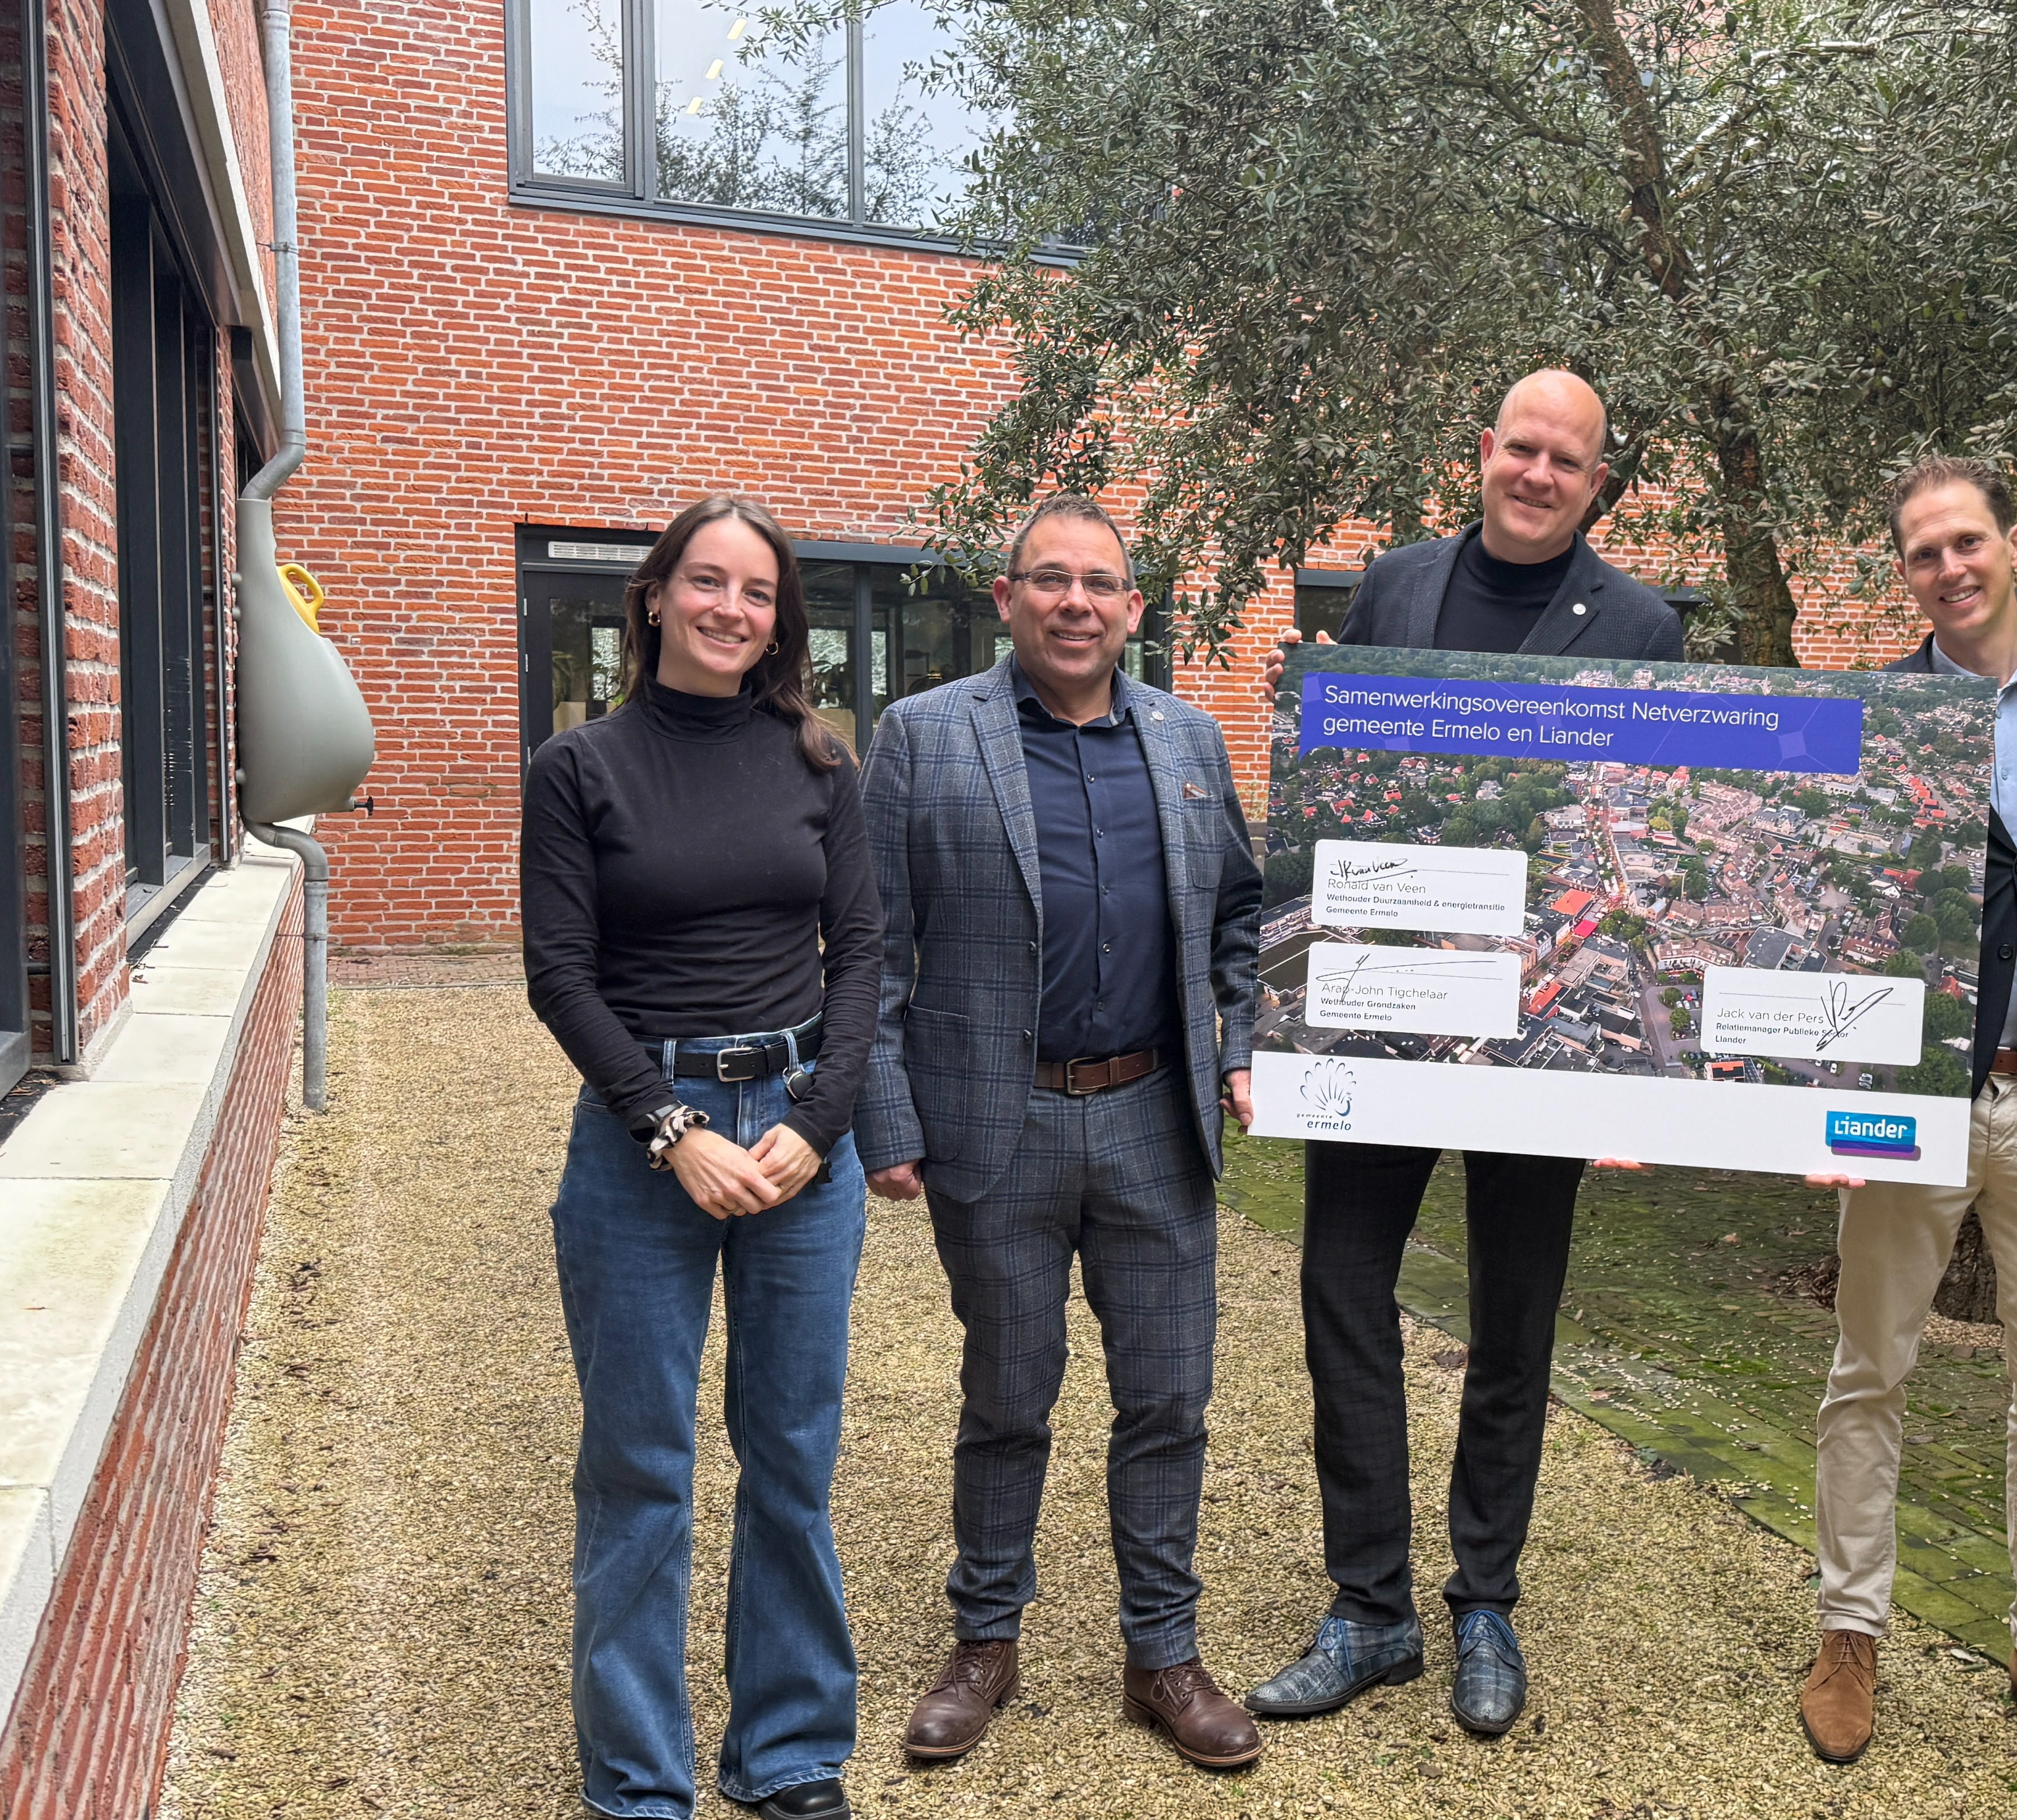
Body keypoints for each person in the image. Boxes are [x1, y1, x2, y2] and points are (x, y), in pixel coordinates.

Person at [1245, 368, 1683, 1737]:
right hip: (1389, 1006)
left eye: (1569, 459)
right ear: (1484, 451)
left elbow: (1651, 830)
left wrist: (1637, 1073)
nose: (1539, 473)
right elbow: (1331, 790)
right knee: (1340, 1288)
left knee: (1515, 1313)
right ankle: (1369, 1603)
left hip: (1541, 1025)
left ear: (1598, 483)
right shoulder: (1390, 587)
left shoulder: (1644, 626)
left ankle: (1483, 1595)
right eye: (1522, 448)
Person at [853, 494, 1267, 1771]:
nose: (1076, 602)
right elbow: (871, 946)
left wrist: (1244, 1054)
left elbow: (1244, 924)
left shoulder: (1193, 740)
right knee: (1006, 1398)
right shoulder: (922, 739)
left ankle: (1164, 1654)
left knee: (1170, 1399)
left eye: (1101, 583)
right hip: (997, 1123)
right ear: (1008, 596)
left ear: (1136, 608)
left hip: (1155, 1118)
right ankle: (986, 1637)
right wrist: (886, 1117)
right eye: (1051, 580)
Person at [521, 493, 882, 1820]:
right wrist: (672, 1135)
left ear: (777, 619)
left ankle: (787, 1756)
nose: (735, 609)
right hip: (641, 1147)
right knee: (639, 1467)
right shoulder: (581, 769)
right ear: (660, 594)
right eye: (710, 582)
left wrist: (816, 1123)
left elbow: (863, 965)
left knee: (791, 1455)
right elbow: (559, 976)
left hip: (798, 1136)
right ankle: (637, 1780)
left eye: (759, 592)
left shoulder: (821, 764)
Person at [1791, 457, 2017, 1779]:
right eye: (1924, 551)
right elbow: (1834, 911)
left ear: (2015, 548)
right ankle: (1848, 1627)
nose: (1950, 566)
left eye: (1969, 541)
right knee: (1869, 1366)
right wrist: (1826, 1105)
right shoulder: (1881, 714)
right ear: (1906, 574)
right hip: (1912, 1097)